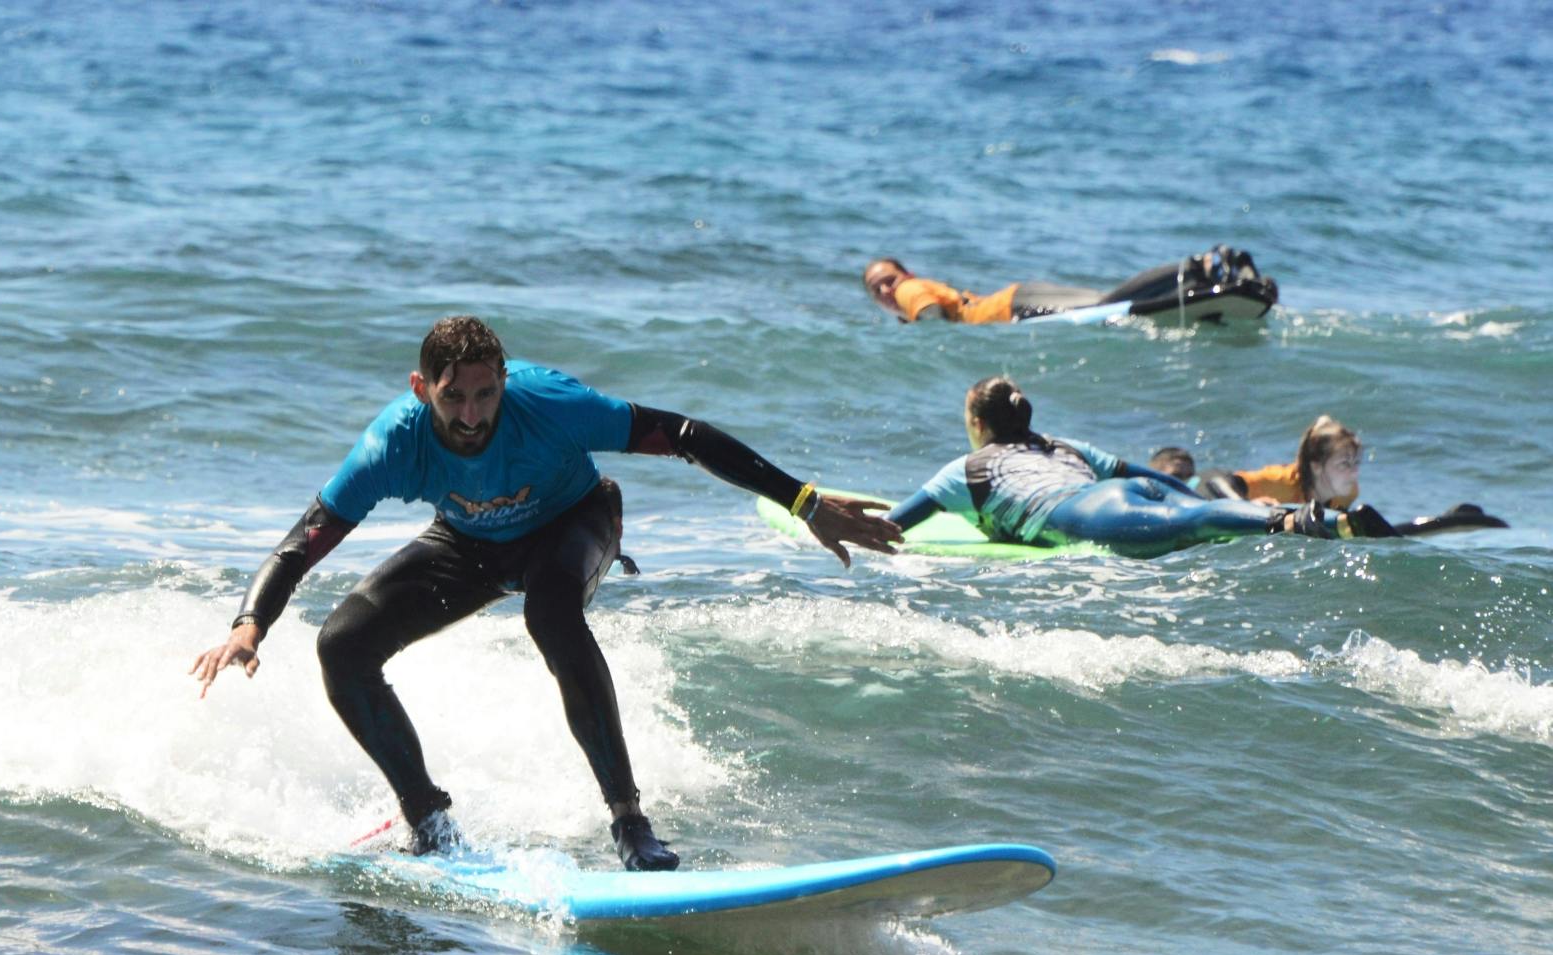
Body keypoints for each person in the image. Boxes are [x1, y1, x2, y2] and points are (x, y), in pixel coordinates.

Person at [190, 316, 903, 871]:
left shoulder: (551, 404)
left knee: (551, 612)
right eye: (452, 398)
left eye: (485, 394)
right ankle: (428, 820)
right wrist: (250, 623)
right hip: (467, 542)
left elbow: (684, 434)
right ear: (420, 389)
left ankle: (629, 821)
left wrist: (804, 503)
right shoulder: (392, 444)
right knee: (341, 645)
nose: (471, 416)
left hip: (576, 520)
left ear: (503, 378)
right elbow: (306, 536)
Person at [882, 377, 1393, 558]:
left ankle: (1297, 519)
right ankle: (1314, 518)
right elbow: (1153, 481)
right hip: (1130, 492)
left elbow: (893, 526)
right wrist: (1204, 500)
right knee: (1196, 516)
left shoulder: (968, 470)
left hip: (1086, 511)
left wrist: (822, 518)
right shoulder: (1063, 445)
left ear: (976, 422)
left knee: (1190, 527)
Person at [863, 245, 1266, 323]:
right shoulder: (912, 290)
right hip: (1014, 298)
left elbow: (931, 317)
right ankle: (1209, 274)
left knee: (1105, 306)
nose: (886, 291)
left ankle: (1200, 264)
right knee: (1108, 303)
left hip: (1012, 308)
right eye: (876, 290)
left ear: (907, 277)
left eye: (889, 280)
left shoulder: (910, 291)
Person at [1197, 415, 1360, 508]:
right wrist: (1248, 507)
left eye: (1356, 463)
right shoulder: (1280, 481)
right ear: (1316, 466)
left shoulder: (1348, 493)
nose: (1354, 473)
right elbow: (1215, 482)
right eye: (1344, 464)